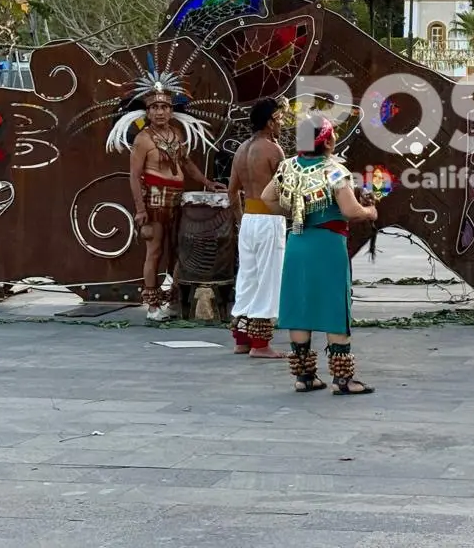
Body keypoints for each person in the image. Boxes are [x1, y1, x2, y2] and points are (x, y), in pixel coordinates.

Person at [261, 115, 378, 395]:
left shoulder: (287, 167)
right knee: (334, 305)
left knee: (299, 304)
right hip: (328, 244)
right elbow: (350, 211)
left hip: (298, 241)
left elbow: (267, 198)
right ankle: (343, 380)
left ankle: (304, 376)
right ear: (326, 140)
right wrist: (370, 212)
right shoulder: (334, 170)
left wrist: (293, 212)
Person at [107, 68, 223, 321]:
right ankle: (151, 306)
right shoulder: (142, 139)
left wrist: (207, 182)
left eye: (165, 107)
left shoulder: (176, 134)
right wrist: (140, 209)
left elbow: (187, 163)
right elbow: (134, 177)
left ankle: (172, 300)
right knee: (155, 251)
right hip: (154, 201)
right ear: (147, 111)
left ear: (172, 110)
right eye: (155, 107)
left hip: (176, 199)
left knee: (178, 251)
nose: (160, 112)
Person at [227, 97, 289, 357]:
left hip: (250, 220)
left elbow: (232, 193)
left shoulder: (241, 150)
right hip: (269, 220)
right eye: (280, 119)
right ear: (270, 120)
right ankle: (261, 345)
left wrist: (242, 220)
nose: (282, 125)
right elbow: (286, 192)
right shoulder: (274, 151)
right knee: (268, 280)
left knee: (248, 279)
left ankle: (242, 340)